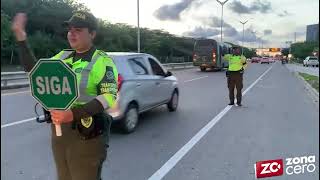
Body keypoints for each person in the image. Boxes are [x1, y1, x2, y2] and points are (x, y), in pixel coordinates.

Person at [11, 11, 118, 180]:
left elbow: (108, 96)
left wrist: (72, 114)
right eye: (70, 29)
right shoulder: (62, 56)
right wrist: (21, 40)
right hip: (60, 133)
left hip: (87, 134)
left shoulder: (102, 61)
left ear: (92, 34)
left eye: (78, 29)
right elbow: (36, 72)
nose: (72, 33)